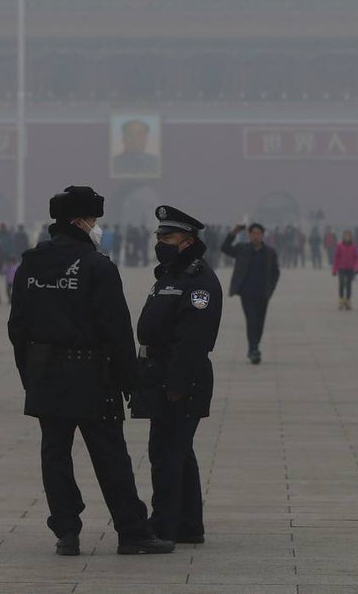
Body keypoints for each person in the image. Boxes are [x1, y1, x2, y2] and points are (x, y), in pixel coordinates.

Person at [7, 185, 173, 556]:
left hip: (46, 375)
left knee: (55, 456)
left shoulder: (31, 264)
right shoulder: (97, 266)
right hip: (93, 376)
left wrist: (29, 375)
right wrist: (130, 381)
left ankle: (66, 530)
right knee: (111, 455)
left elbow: (17, 325)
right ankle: (132, 531)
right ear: (80, 221)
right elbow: (116, 329)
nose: (96, 225)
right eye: (94, 219)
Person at [131, 205, 223, 546]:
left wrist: (177, 384)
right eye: (158, 236)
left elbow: (193, 340)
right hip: (161, 373)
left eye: (167, 237)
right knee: (179, 451)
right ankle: (188, 523)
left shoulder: (198, 281)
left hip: (181, 378)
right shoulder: (171, 274)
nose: (160, 242)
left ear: (187, 241)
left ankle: (164, 524)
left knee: (166, 452)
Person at [221, 222, 280, 365]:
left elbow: (275, 272)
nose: (255, 236)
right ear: (249, 235)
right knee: (251, 321)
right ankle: (254, 349)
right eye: (253, 233)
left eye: (258, 234)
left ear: (262, 235)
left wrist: (270, 289)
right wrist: (233, 233)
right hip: (247, 293)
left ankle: (254, 346)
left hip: (263, 294)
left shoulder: (270, 252)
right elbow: (225, 248)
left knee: (259, 323)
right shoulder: (242, 249)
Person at [332, 229, 358, 310]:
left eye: (348, 236)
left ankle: (348, 300)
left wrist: (357, 267)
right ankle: (341, 299)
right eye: (345, 236)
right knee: (341, 283)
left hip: (350, 268)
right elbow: (336, 258)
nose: (347, 237)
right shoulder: (339, 246)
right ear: (343, 237)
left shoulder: (354, 247)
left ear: (351, 237)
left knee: (348, 284)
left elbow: (357, 258)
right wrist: (334, 269)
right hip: (341, 268)